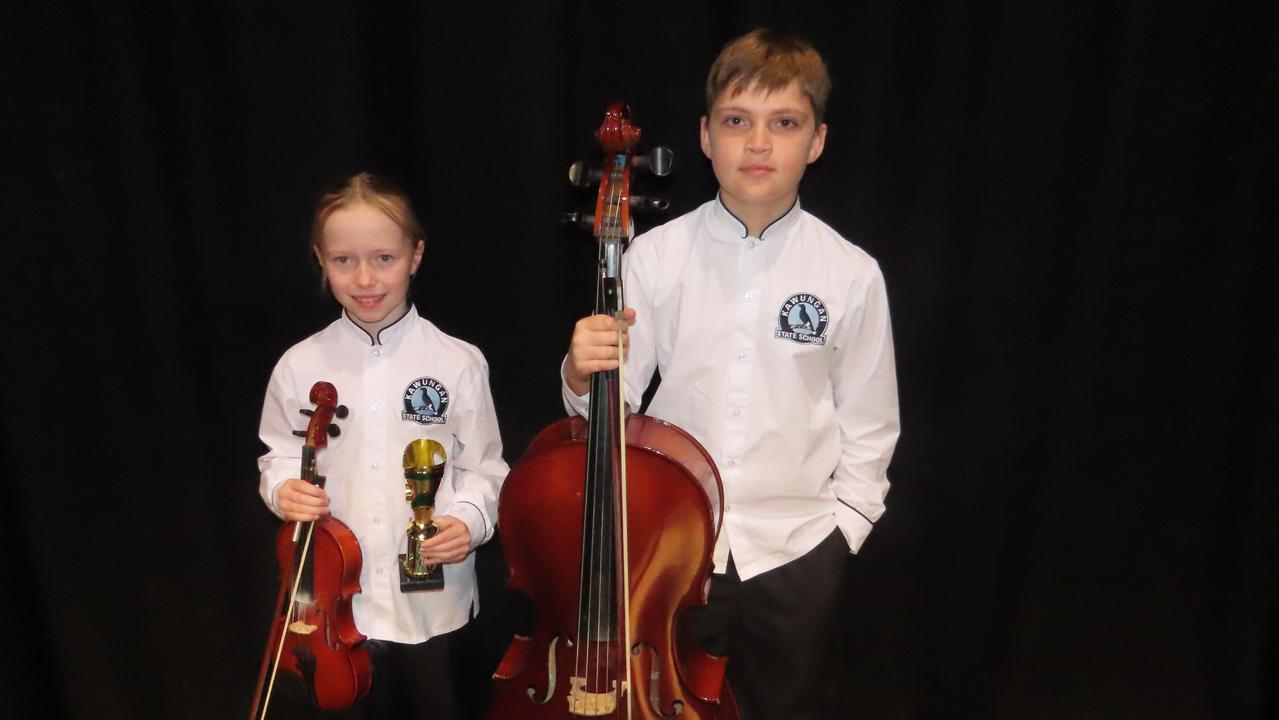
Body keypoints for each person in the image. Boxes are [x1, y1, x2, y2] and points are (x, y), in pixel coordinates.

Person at [562, 29, 900, 720]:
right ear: (705, 137)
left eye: (784, 125)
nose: (757, 145)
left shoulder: (851, 274)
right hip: (678, 553)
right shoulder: (653, 257)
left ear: (817, 141)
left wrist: (844, 532)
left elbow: (870, 420)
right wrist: (578, 370)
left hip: (798, 550)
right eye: (736, 122)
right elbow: (611, 408)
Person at [258, 172, 507, 719]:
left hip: (433, 608)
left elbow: (486, 468)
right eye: (344, 260)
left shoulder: (457, 361)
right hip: (334, 616)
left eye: (384, 258)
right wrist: (283, 489)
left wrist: (468, 520)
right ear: (320, 259)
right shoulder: (300, 365)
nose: (365, 278)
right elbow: (276, 455)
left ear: (416, 256)